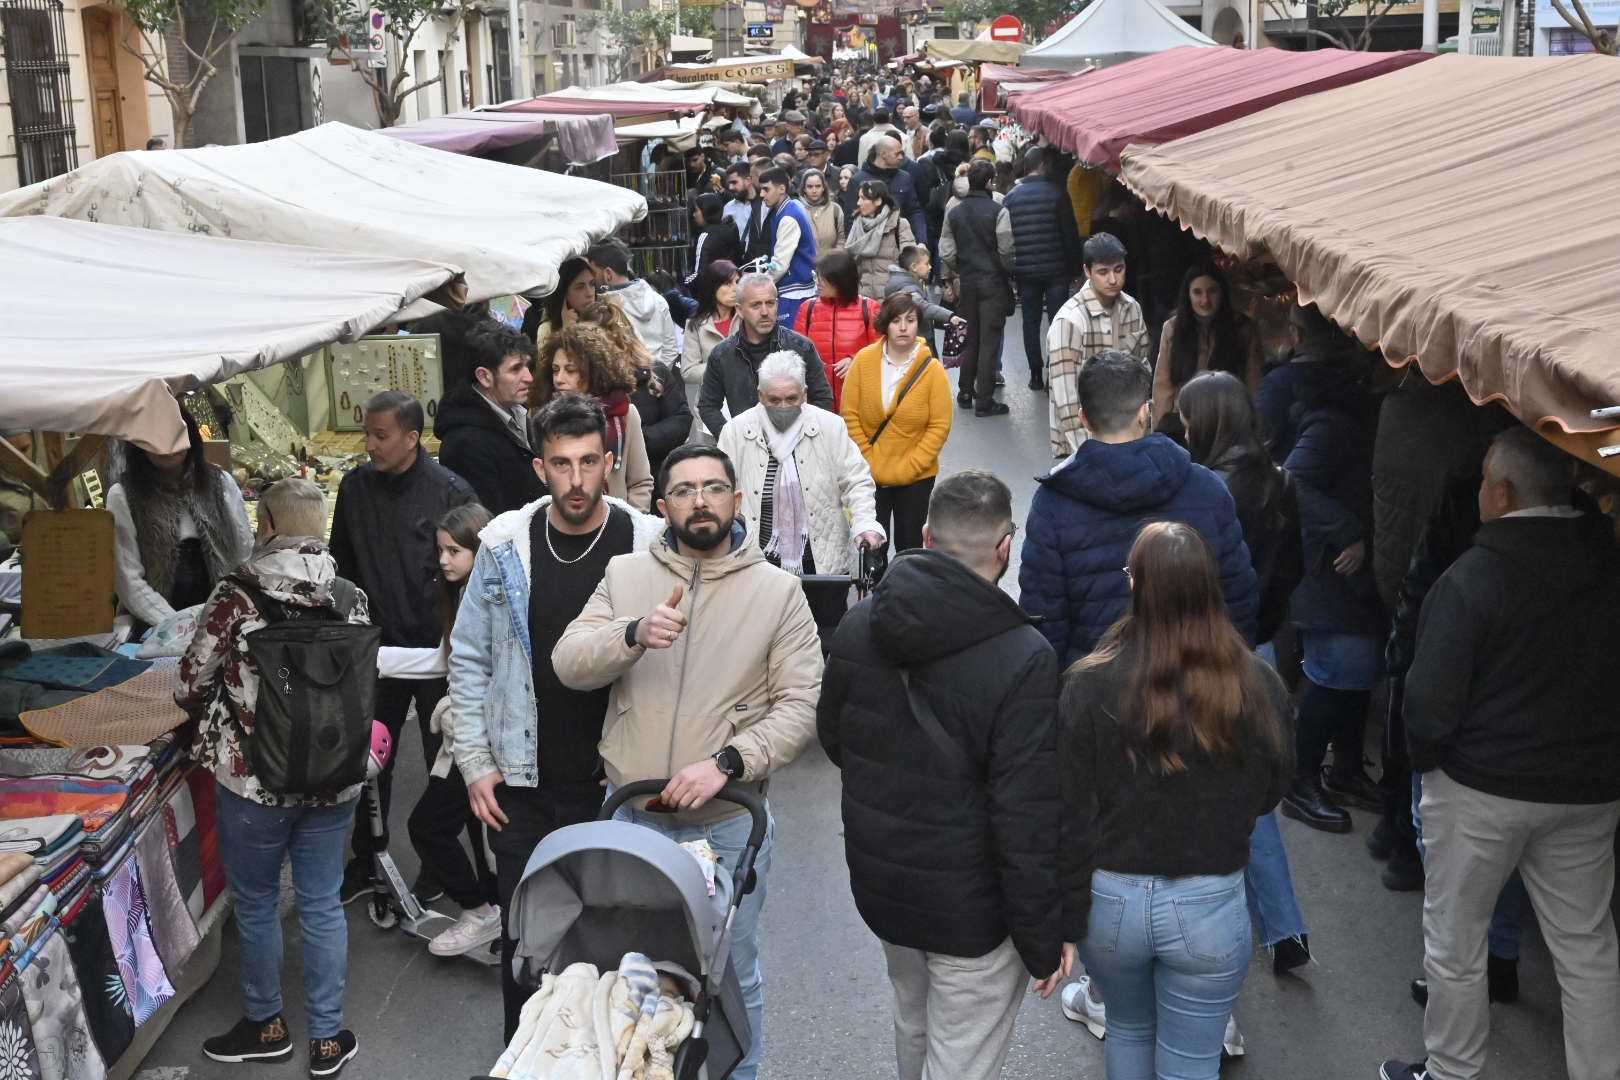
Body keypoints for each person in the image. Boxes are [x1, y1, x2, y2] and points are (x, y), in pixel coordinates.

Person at [552, 443, 824, 1080]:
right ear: (662, 504)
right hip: (633, 816)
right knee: (633, 968)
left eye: (712, 487)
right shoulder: (625, 575)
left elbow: (801, 705)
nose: (699, 500)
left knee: (729, 969)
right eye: (684, 490)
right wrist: (632, 634)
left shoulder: (778, 592)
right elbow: (569, 661)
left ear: (734, 498)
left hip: (729, 823)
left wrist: (727, 763)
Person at [1382, 426, 1620, 1080]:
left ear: (1504, 494)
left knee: (1456, 945)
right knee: (1587, 948)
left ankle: (1452, 1072)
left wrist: (1430, 767)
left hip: (1482, 790)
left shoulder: (1473, 578)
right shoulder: (1609, 565)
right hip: (1588, 789)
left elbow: (1427, 707)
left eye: (1485, 481)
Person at [818, 469, 1066, 1080]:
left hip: (886, 886)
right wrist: (1042, 936)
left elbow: (835, 738)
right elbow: (1024, 813)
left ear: (925, 535)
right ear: (1006, 545)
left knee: (914, 1020)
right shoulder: (1024, 658)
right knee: (961, 1059)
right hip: (973, 907)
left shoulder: (859, 626)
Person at [446, 395, 663, 1040]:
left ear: (608, 462)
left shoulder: (644, 543)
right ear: (540, 467)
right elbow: (469, 657)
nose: (576, 480)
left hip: (614, 784)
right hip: (521, 784)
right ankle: (526, 1057)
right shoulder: (505, 546)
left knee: (613, 949)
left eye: (589, 462)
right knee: (526, 947)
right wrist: (475, 764)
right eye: (562, 464)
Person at [1059, 521, 1291, 1080]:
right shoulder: (1258, 685)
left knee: (1129, 1032)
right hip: (1209, 902)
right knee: (1191, 1061)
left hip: (1111, 901)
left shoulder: (1089, 684)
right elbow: (1270, 794)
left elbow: (1068, 804)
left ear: (1137, 586)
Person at [178, 478, 369, 1078]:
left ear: (265, 526)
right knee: (321, 904)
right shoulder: (349, 596)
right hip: (335, 776)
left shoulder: (237, 595)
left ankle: (266, 1025)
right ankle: (328, 1037)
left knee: (257, 904)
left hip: (253, 780)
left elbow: (190, 681)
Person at [1179, 371, 1312, 975]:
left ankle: (1212, 927)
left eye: (1186, 419)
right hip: (1257, 647)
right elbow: (1294, 567)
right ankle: (1284, 927)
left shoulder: (1207, 490)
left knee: (1202, 787)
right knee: (1255, 794)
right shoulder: (1280, 479)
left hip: (1210, 646)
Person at [1019, 351, 1257, 668]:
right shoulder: (1206, 488)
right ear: (1146, 412)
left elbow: (1046, 618)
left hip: (1095, 691)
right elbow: (1237, 598)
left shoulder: (1052, 505)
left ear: (1084, 418)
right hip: (1196, 684)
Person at [329, 391, 477, 898]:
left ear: (412, 438)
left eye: (381, 435)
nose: (370, 444)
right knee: (370, 762)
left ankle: (438, 866)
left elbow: (479, 572)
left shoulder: (451, 490)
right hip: (377, 650)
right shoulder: (354, 489)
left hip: (442, 653)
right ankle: (367, 858)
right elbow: (341, 565)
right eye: (367, 433)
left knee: (444, 762)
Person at [1275, 341, 1384, 834]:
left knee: (1355, 673)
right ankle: (1301, 782)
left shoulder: (1342, 419)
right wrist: (1348, 531)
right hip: (1330, 571)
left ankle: (1342, 771)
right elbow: (1290, 481)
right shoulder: (1333, 425)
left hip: (1345, 574)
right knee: (1333, 671)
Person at [719, 350, 884, 638]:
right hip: (756, 563)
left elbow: (857, 481)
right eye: (774, 400)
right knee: (761, 639)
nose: (783, 406)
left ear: (805, 394)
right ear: (760, 395)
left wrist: (865, 524)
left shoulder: (830, 427)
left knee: (824, 637)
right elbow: (721, 490)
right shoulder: (736, 431)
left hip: (821, 564)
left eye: (791, 399)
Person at [106, 408, 253, 632]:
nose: (167, 446)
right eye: (156, 438)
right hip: (155, 623)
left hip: (223, 616)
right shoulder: (123, 495)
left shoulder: (220, 482)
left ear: (190, 436)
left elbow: (244, 552)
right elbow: (127, 578)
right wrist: (175, 625)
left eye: (175, 436)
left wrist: (232, 611)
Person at [841, 292, 952, 556]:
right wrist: (868, 459)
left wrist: (912, 465)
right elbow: (850, 415)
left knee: (909, 547)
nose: (903, 327)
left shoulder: (932, 370)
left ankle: (905, 596)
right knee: (873, 548)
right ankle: (875, 596)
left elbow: (939, 425)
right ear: (885, 325)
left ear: (918, 324)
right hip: (868, 473)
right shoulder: (863, 361)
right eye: (896, 321)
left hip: (916, 476)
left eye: (910, 320)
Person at [1046, 232, 1149, 460]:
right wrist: (1088, 455)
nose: (1113, 279)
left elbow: (1142, 371)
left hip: (1127, 435)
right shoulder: (1069, 320)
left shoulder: (1132, 309)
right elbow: (1066, 395)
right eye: (1103, 272)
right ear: (1087, 271)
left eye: (1119, 269)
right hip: (1082, 442)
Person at [698, 274, 834, 437]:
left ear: (777, 304)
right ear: (740, 310)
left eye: (770, 303)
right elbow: (707, 406)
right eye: (756, 305)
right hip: (746, 447)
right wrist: (733, 439)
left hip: (797, 446)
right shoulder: (722, 355)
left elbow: (822, 398)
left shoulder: (801, 347)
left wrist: (804, 436)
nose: (764, 312)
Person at [535, 325, 654, 512]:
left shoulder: (625, 414)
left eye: (570, 370)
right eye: (555, 369)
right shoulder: (545, 419)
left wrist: (630, 525)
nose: (559, 378)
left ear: (593, 372)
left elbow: (640, 482)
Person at [434, 320, 543, 515]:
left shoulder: (514, 411)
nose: (529, 377)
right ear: (484, 377)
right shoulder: (464, 444)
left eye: (527, 366)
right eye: (516, 368)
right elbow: (486, 524)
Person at [579, 301, 691, 476]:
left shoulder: (654, 371)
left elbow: (681, 419)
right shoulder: (579, 382)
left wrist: (637, 439)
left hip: (656, 473)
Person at [1153, 263, 1265, 438]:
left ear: (1222, 293)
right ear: (1188, 295)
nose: (1205, 300)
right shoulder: (1173, 328)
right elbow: (1163, 384)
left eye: (1212, 291)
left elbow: (1253, 380)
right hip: (1182, 421)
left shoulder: (1242, 328)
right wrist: (1159, 432)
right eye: (1197, 292)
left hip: (1227, 423)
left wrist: (1251, 426)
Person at [940, 159, 1016, 416]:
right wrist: (1006, 269)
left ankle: (964, 390)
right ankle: (984, 398)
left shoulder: (955, 213)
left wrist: (961, 267)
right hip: (993, 282)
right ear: (988, 183)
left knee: (969, 337)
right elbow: (1006, 249)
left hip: (968, 282)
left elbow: (946, 251)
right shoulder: (998, 211)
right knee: (989, 340)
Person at [1005, 146, 1083, 392]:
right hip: (1056, 269)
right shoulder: (1058, 193)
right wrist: (1075, 267)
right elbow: (1069, 233)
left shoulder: (1012, 197)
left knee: (1030, 320)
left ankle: (1035, 373)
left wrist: (1012, 271)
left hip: (1026, 271)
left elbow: (1007, 239)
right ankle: (1054, 371)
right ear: (1043, 166)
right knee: (1058, 320)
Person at [794, 250, 881, 413]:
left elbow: (883, 351)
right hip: (817, 401)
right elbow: (796, 354)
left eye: (823, 278)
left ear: (841, 280)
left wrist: (854, 360)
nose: (818, 283)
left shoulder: (869, 308)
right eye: (816, 276)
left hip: (858, 400)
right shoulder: (808, 309)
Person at [586, 239, 679, 370]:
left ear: (608, 274)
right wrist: (657, 379)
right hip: (658, 383)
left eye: (593, 273)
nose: (591, 279)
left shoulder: (606, 307)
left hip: (624, 384)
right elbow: (670, 349)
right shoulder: (658, 300)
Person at [754, 166, 819, 327]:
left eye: (766, 189)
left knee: (790, 344)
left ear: (782, 188)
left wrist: (759, 286)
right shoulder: (793, 205)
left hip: (794, 292)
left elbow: (780, 264)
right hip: (801, 287)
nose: (762, 195)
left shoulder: (788, 217)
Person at [849, 135, 927, 246]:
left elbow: (914, 212)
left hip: (900, 243)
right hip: (867, 246)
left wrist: (921, 241)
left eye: (902, 153)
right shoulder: (858, 180)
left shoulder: (904, 178)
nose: (901, 157)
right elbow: (851, 217)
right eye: (897, 154)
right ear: (883, 154)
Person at [845, 179, 916, 301]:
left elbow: (911, 263)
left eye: (863, 198)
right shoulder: (857, 226)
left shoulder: (898, 224)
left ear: (878, 201)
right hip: (864, 300)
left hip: (892, 299)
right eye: (858, 198)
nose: (858, 202)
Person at [682, 259, 740, 395]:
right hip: (711, 403)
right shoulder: (696, 324)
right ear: (713, 287)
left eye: (737, 282)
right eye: (727, 283)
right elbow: (688, 371)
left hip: (746, 402)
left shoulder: (747, 319)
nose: (735, 289)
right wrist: (724, 367)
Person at [883, 244, 961, 343]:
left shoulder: (911, 281)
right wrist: (949, 316)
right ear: (914, 267)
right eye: (926, 264)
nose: (930, 267)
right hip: (916, 340)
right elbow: (924, 307)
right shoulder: (908, 289)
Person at [520, 256, 592, 352]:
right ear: (563, 293)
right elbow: (548, 366)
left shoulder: (606, 314)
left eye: (592, 284)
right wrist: (567, 331)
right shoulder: (547, 329)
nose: (590, 293)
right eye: (580, 287)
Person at [690, 193, 743, 282]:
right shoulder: (732, 230)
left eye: (696, 210)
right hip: (733, 283)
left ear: (706, 211)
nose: (694, 215)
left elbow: (699, 274)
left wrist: (684, 284)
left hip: (711, 289)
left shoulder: (705, 236)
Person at [797, 167, 844, 258]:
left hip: (830, 264)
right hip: (805, 263)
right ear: (804, 189)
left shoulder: (835, 209)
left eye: (818, 186)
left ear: (823, 188)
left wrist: (834, 257)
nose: (814, 190)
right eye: (810, 187)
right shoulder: (797, 209)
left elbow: (841, 239)